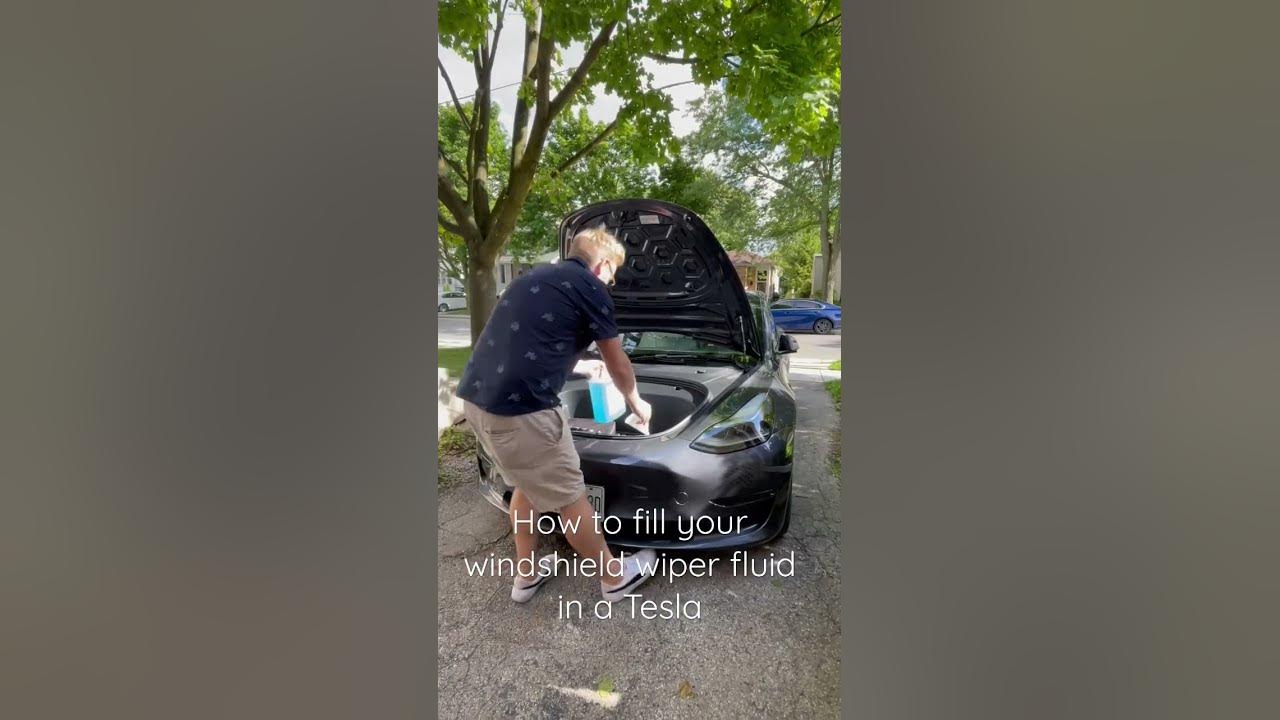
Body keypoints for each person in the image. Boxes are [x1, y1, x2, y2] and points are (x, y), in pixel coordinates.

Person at [456, 226, 658, 603]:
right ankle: (614, 580)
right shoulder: (590, 286)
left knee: (525, 486)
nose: (611, 282)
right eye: (613, 273)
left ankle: (527, 577)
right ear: (601, 265)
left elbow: (528, 342)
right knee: (571, 498)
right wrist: (636, 403)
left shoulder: (530, 278)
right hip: (523, 413)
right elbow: (618, 362)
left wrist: (579, 368)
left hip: (477, 402)